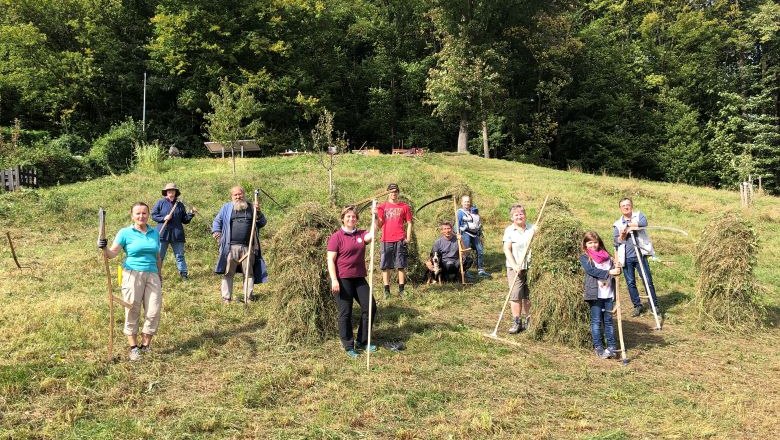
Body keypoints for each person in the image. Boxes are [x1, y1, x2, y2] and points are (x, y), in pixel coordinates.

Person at [97, 202, 162, 362]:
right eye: (138, 213)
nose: (141, 216)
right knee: (133, 309)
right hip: (132, 274)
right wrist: (103, 248)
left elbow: (158, 256)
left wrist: (159, 274)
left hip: (153, 274)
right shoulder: (125, 233)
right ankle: (133, 348)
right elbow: (112, 254)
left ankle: (146, 346)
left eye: (144, 213)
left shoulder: (154, 232)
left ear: (148, 215)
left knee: (153, 311)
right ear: (132, 215)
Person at [327, 205, 378, 358]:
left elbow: (372, 235)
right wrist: (334, 279)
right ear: (343, 219)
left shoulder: (361, 234)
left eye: (354, 217)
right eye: (348, 216)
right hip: (342, 279)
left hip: (359, 278)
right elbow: (330, 259)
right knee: (346, 312)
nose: (351, 219)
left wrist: (375, 217)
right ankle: (349, 345)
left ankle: (363, 340)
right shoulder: (336, 237)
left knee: (370, 307)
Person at [212, 186, 268, 304]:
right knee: (228, 272)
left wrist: (259, 212)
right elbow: (217, 221)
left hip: (248, 248)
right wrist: (217, 234)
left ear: (244, 194)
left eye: (240, 194)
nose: (238, 197)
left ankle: (248, 297)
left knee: (248, 273)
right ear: (232, 196)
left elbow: (262, 223)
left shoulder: (252, 207)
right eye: (235, 195)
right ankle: (226, 298)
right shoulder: (226, 208)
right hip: (230, 247)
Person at [579, 231, 622, 359]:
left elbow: (616, 270)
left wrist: (618, 266)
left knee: (608, 321)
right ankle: (598, 347)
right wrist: (610, 271)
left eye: (595, 242)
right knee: (596, 321)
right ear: (585, 244)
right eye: (590, 242)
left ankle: (612, 347)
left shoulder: (607, 255)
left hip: (608, 293)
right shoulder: (585, 257)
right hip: (595, 294)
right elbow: (591, 270)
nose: (593, 245)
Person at [612, 197, 659, 317]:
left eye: (628, 205)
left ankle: (654, 305)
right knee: (630, 282)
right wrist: (622, 235)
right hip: (627, 257)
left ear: (631, 206)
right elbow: (616, 242)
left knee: (647, 280)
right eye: (623, 206)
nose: (626, 207)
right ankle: (637, 305)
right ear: (620, 208)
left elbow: (643, 223)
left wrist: (630, 226)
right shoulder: (617, 224)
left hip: (640, 255)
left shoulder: (638, 215)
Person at [151, 183, 197, 280]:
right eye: (169, 191)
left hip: (177, 234)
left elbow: (184, 220)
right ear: (166, 193)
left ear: (176, 192)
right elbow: (154, 215)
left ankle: (183, 274)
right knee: (160, 256)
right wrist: (164, 218)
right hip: (163, 234)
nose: (170, 192)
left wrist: (191, 214)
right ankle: (155, 274)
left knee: (180, 256)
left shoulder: (179, 205)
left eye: (172, 191)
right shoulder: (160, 203)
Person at [376, 183, 413, 298]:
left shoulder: (404, 207)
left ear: (398, 192)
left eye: (395, 191)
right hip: (386, 239)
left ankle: (401, 290)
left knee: (400, 265)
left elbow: (409, 223)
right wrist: (375, 215)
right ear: (387, 193)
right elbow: (380, 224)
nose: (393, 193)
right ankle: (386, 290)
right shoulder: (382, 207)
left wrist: (408, 237)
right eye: (391, 191)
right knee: (385, 265)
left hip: (400, 239)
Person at [502, 204, 535, 334]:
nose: (519, 216)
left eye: (521, 214)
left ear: (525, 215)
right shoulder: (509, 231)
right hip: (514, 267)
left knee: (528, 295)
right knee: (516, 294)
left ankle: (529, 320)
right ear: (512, 218)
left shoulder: (533, 228)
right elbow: (506, 249)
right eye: (516, 215)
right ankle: (517, 322)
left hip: (531, 266)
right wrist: (515, 265)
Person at [457, 195, 491, 278]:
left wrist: (479, 230)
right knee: (466, 252)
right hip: (465, 233)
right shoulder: (460, 212)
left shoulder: (473, 210)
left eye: (468, 201)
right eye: (465, 201)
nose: (467, 203)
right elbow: (457, 224)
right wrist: (457, 234)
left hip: (474, 234)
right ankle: (465, 271)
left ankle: (481, 270)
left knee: (480, 250)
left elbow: (477, 221)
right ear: (462, 203)